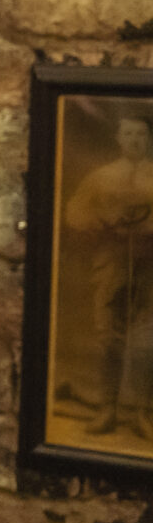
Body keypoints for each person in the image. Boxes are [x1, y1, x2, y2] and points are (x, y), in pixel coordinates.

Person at [66, 115, 153, 437]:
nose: (134, 140)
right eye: (128, 133)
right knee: (108, 339)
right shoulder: (100, 178)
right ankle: (108, 409)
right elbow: (74, 212)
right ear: (118, 138)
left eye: (140, 134)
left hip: (150, 266)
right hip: (111, 263)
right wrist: (101, 220)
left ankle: (143, 413)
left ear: (148, 139)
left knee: (147, 341)